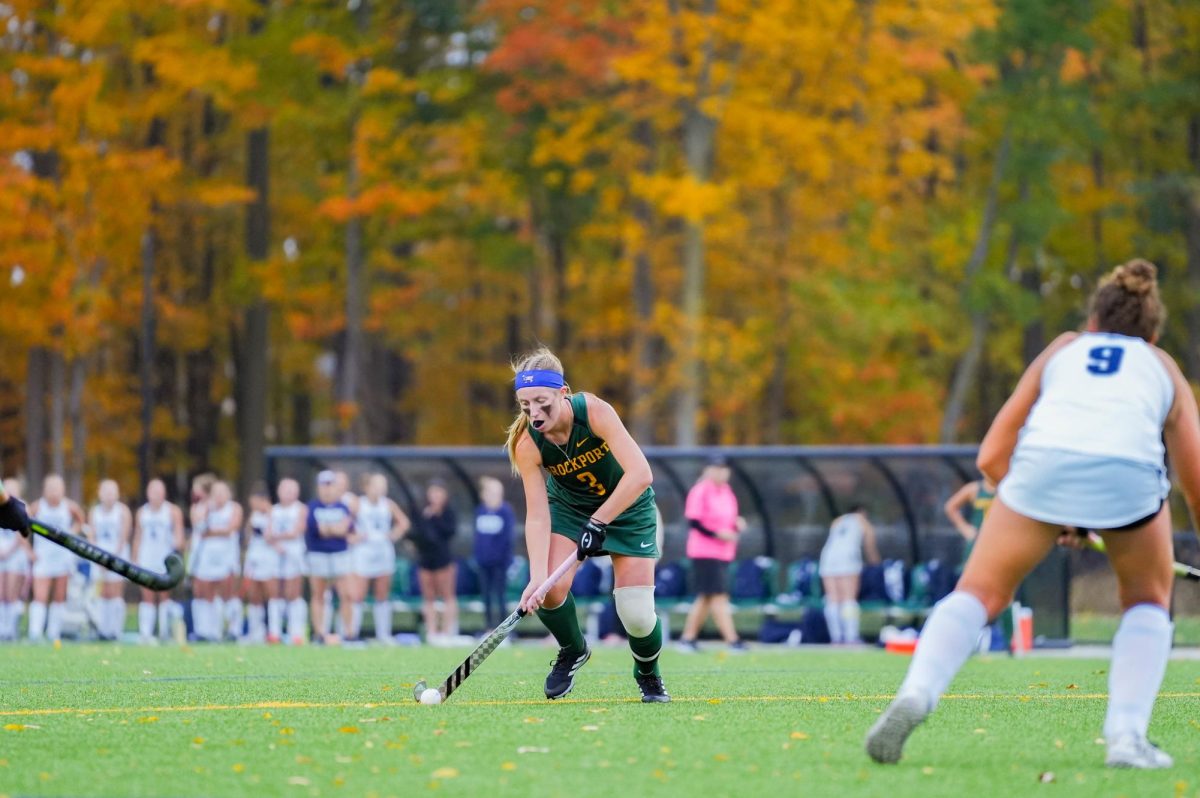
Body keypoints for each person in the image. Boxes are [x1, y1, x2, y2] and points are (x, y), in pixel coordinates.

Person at [867, 259, 1195, 769]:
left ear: (1092, 323)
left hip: (1043, 464)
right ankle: (1127, 738)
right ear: (1150, 335)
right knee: (1147, 601)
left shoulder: (1062, 350)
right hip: (1128, 473)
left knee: (978, 593)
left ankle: (918, 692)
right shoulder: (1163, 367)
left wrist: (1052, 512)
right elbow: (1195, 480)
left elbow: (991, 457)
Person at [506, 347, 669, 702]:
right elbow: (537, 514)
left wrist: (599, 521)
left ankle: (648, 673)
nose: (535, 414)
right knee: (549, 591)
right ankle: (573, 649)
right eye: (525, 406)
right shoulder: (528, 444)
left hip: (628, 508)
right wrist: (536, 576)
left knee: (638, 616)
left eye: (543, 403)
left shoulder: (595, 412)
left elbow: (641, 474)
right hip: (570, 509)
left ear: (563, 393)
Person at [677, 456, 746, 652]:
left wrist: (736, 524)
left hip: (724, 552)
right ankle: (733, 641)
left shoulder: (727, 491)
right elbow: (694, 521)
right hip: (705, 551)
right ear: (707, 470)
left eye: (724, 468)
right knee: (718, 595)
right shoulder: (701, 490)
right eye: (716, 468)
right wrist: (717, 533)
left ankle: (687, 639)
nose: (721, 472)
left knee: (706, 596)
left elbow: (728, 518)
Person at [348, 473, 410, 643]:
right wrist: (353, 537)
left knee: (382, 594)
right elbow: (346, 524)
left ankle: (383, 634)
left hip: (383, 551)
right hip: (363, 552)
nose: (380, 489)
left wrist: (394, 535)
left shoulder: (388, 504)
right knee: (357, 594)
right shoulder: (358, 504)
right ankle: (352, 633)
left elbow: (403, 522)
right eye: (376, 485)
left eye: (383, 485)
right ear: (367, 486)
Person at [28, 474, 85, 642]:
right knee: (40, 596)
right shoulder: (37, 507)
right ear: (45, 490)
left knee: (59, 596)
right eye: (50, 488)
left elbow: (80, 521)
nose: (54, 492)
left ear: (63, 490)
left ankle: (54, 633)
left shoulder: (69, 507)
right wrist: (29, 552)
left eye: (57, 488)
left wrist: (72, 533)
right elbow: (22, 527)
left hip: (62, 557)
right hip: (43, 557)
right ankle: (35, 632)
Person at [132, 478, 185, 643]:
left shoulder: (172, 511)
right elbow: (138, 537)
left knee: (164, 595)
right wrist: (135, 558)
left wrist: (178, 547)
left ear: (164, 493)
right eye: (152, 491)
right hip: (146, 557)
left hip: (165, 559)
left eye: (159, 491)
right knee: (147, 595)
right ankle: (145, 633)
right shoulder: (142, 512)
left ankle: (164, 632)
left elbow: (179, 535)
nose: (155, 495)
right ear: (148, 493)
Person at [190, 478, 243, 641]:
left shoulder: (234, 508)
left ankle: (233, 629)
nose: (219, 496)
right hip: (207, 557)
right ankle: (208, 631)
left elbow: (231, 528)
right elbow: (199, 527)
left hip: (227, 557)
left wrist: (211, 532)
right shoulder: (204, 508)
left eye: (223, 492)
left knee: (228, 592)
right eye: (216, 493)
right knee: (206, 593)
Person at [819, 505, 880, 644]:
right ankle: (851, 636)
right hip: (848, 557)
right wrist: (876, 565)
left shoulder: (838, 521)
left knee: (833, 599)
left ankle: (836, 636)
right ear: (862, 512)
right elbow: (870, 548)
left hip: (828, 557)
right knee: (849, 598)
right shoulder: (863, 521)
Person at [306, 470, 355, 644]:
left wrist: (329, 529)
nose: (327, 490)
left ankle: (349, 633)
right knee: (319, 594)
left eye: (330, 485)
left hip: (340, 554)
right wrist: (335, 529)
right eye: (323, 485)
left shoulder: (343, 507)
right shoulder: (312, 506)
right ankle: (320, 633)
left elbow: (345, 530)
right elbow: (316, 529)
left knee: (346, 594)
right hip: (318, 555)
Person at [88, 479, 133, 640]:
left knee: (115, 593)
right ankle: (103, 630)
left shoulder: (123, 511)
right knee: (102, 593)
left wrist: (112, 559)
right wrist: (99, 558)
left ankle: (115, 630)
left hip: (117, 557)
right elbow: (92, 536)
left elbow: (123, 537)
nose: (109, 495)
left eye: (112, 492)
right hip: (99, 558)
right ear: (100, 494)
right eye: (106, 492)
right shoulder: (94, 512)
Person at [414, 480, 458, 644]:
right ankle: (431, 631)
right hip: (426, 559)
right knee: (428, 597)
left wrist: (437, 516)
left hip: (443, 559)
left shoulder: (448, 513)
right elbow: (418, 533)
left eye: (439, 493)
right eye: (433, 493)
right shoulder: (423, 513)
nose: (435, 497)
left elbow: (450, 532)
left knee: (447, 595)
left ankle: (447, 631)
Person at [268, 477, 308, 644]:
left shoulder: (301, 509)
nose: (288, 494)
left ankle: (296, 632)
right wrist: (276, 543)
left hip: (294, 554)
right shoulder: (273, 510)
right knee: (275, 593)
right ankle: (274, 632)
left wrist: (277, 537)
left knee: (293, 593)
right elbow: (267, 533)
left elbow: (296, 532)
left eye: (292, 490)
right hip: (275, 554)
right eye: (285, 490)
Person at [473, 476, 516, 629]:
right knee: (486, 596)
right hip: (484, 562)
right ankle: (488, 627)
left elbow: (508, 538)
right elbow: (478, 538)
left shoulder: (505, 511)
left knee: (500, 595)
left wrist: (503, 559)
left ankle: (503, 628)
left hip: (500, 563)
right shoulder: (480, 511)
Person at [239, 483, 274, 643]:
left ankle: (273, 631)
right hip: (254, 557)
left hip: (268, 557)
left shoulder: (273, 513)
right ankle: (255, 631)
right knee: (253, 595)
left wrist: (269, 512)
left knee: (271, 594)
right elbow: (248, 537)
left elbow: (271, 535)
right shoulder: (253, 515)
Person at [0, 477, 32, 641]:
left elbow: (23, 534)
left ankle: (11, 630)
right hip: (0, 553)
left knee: (11, 594)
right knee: (1, 594)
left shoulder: (21, 507)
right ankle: (2, 629)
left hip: (15, 555)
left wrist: (9, 551)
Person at [943, 477, 996, 565]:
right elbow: (950, 507)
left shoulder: (1008, 490)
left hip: (997, 543)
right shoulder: (975, 488)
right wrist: (965, 529)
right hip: (976, 542)